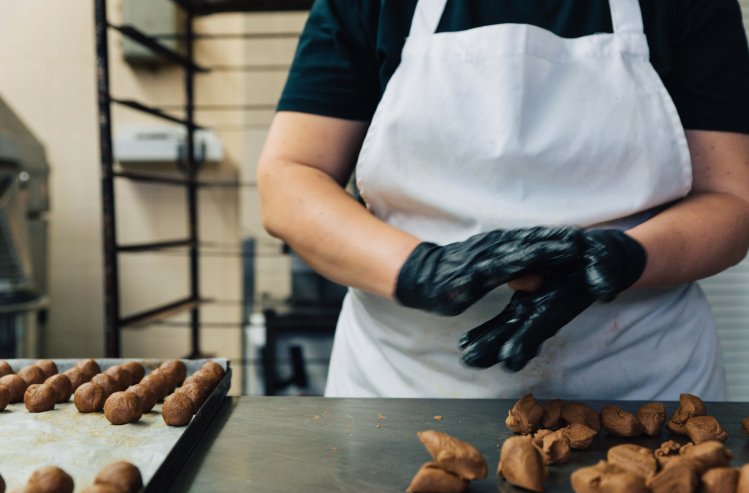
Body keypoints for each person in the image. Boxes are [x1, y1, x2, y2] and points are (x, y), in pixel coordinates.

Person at [257, 0, 749, 400]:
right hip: (406, 385)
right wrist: (420, 271)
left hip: (639, 382)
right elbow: (290, 175)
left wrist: (622, 259)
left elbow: (730, 198)